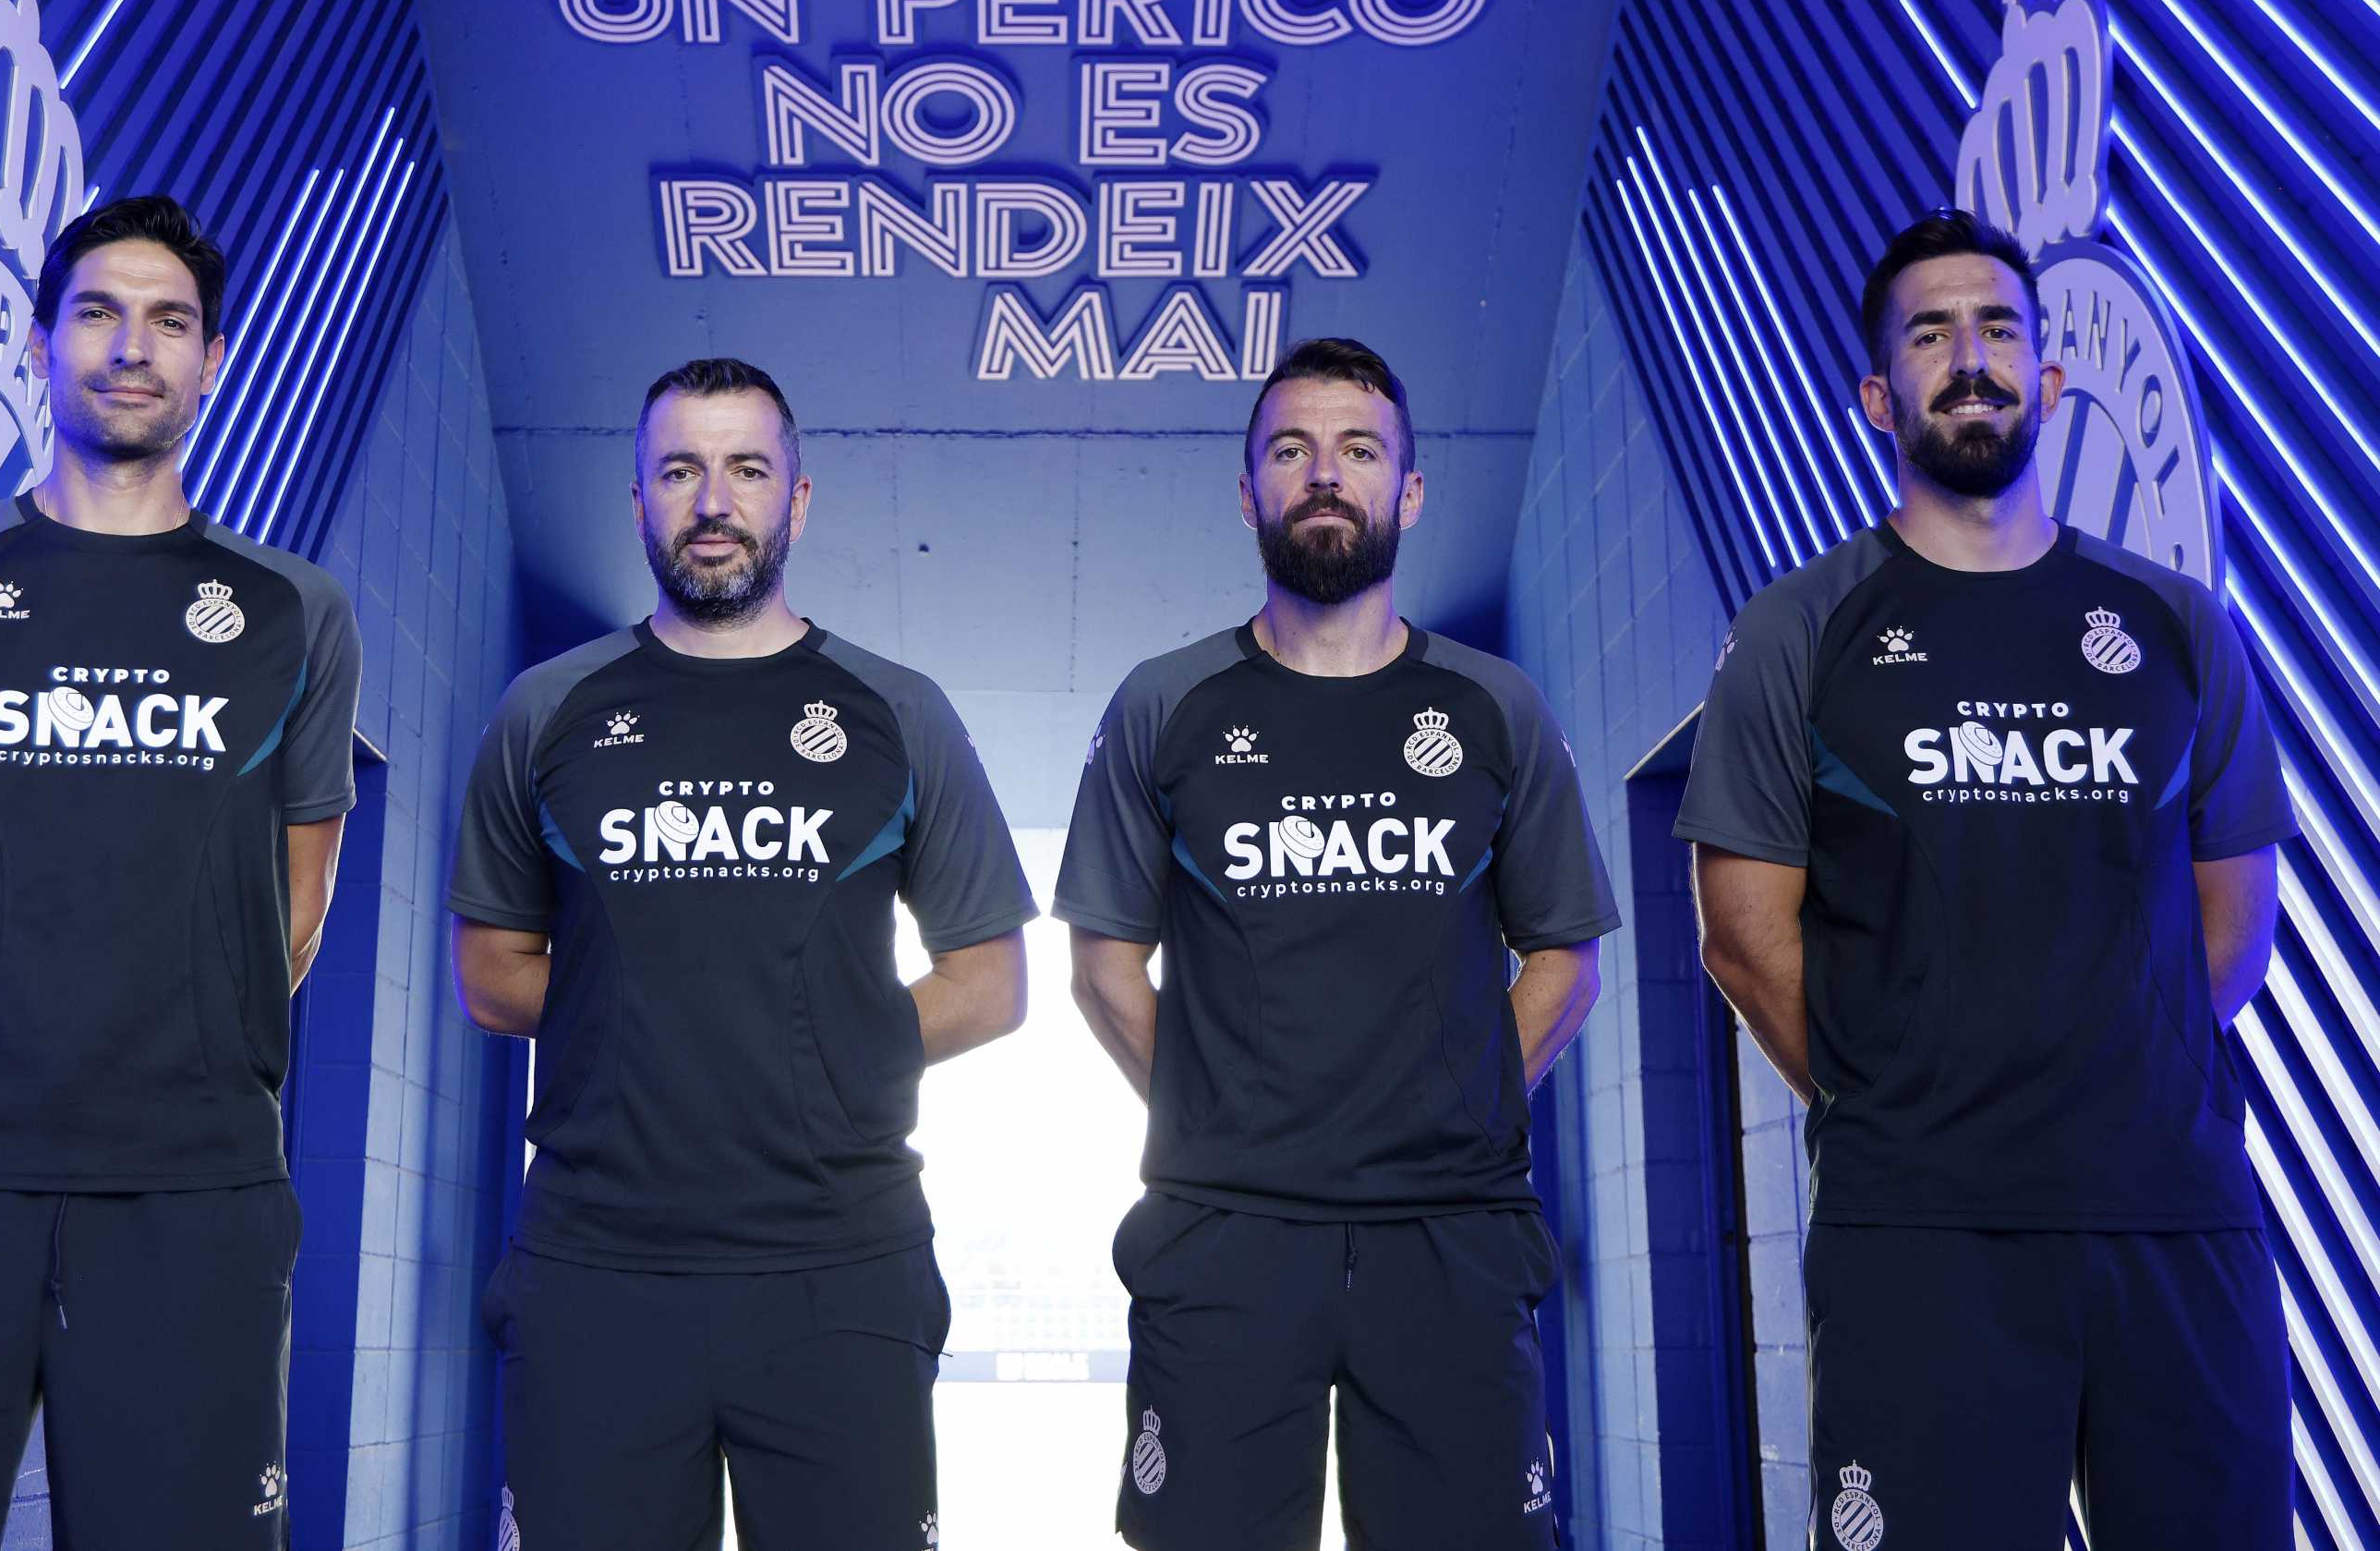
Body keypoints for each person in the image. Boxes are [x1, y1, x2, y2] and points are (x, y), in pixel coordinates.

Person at [1682, 208, 2294, 1549]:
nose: (1971, 357)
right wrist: (1895, 1094)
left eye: (1999, 327)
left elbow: (2234, 923)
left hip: (2174, 1213)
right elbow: (1742, 934)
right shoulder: (1799, 630)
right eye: (1931, 334)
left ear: (2048, 380)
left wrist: (2111, 1066)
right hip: (1921, 1230)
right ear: (1877, 397)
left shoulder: (2178, 625)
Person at [0, 194, 360, 1548]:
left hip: (192, 1185)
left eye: (169, 322)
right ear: (41, 344)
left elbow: (297, 905)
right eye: (98, 313)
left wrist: (177, 1055)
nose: (131, 347)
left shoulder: (294, 614)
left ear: (213, 361)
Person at [450, 357, 1034, 1551]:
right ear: (639, 502)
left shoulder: (898, 712)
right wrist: (657, 1015)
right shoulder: (547, 711)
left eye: (747, 471)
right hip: (596, 1265)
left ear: (797, 501)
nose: (713, 501)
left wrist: (822, 1038)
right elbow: (491, 972)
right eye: (680, 471)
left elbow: (991, 984)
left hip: (842, 1265)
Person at [1057, 336, 1618, 1550]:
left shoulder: (1495, 709)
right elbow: (1102, 967)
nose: (1324, 473)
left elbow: (1565, 960)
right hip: (1224, 1229)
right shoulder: (1165, 705)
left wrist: (1463, 1101)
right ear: (1248, 489)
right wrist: (1221, 1112)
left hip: (1450, 1230)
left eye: (1359, 451)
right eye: (1291, 451)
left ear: (1407, 493)